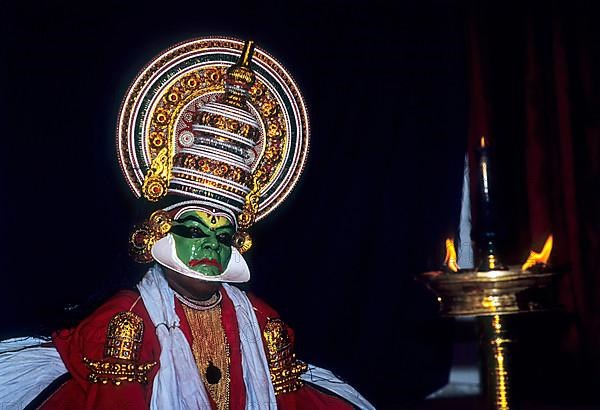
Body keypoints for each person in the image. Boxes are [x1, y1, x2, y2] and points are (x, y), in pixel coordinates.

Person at [0, 38, 374, 410]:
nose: (211, 245)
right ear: (160, 231)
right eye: (195, 231)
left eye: (223, 235)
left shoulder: (264, 322)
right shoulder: (125, 322)